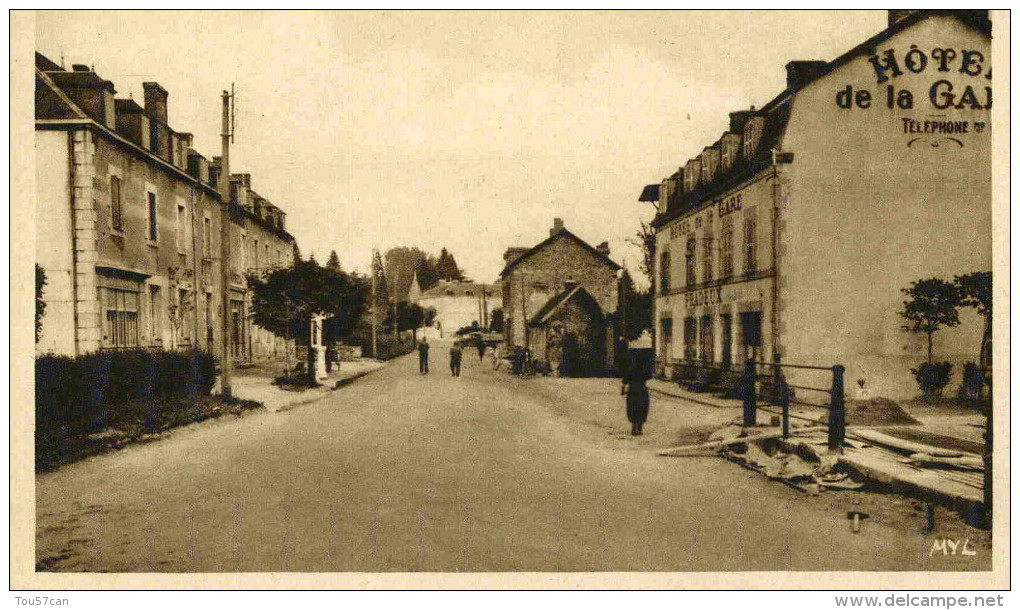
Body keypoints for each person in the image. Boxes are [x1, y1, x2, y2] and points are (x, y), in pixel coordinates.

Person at [621, 349, 652, 436]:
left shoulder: (630, 368)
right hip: (642, 390)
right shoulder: (644, 368)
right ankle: (639, 428)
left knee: (633, 408)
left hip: (632, 390)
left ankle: (634, 427)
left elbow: (625, 380)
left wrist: (623, 390)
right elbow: (649, 376)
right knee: (642, 408)